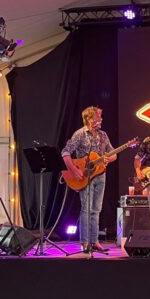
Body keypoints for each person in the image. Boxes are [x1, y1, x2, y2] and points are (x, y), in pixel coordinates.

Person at [62, 106, 114, 254]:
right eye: (98, 117)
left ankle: (95, 241)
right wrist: (74, 170)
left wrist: (109, 158)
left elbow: (113, 153)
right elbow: (65, 153)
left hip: (101, 175)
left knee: (96, 210)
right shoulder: (80, 134)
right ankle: (85, 242)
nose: (100, 119)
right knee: (86, 209)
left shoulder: (103, 135)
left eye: (100, 117)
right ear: (89, 119)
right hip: (85, 176)